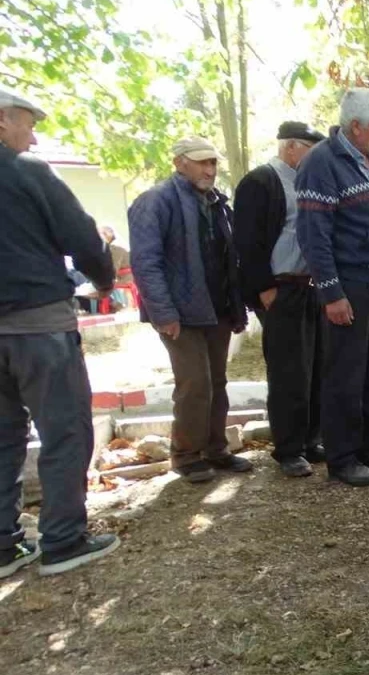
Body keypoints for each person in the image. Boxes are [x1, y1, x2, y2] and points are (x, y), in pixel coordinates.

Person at [0, 89, 118, 576]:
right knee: (65, 428)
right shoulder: (28, 172)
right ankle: (65, 539)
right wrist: (105, 277)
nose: (35, 133)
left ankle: (4, 547)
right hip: (37, 323)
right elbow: (80, 234)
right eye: (29, 123)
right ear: (3, 122)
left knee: (3, 436)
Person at [296, 88, 369, 487]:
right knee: (346, 371)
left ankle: (368, 443)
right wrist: (331, 292)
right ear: (355, 127)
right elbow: (313, 234)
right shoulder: (321, 163)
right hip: (349, 283)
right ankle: (341, 457)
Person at [129, 137, 251, 483]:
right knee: (194, 383)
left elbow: (228, 259)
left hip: (217, 309)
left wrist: (236, 308)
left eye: (213, 163)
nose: (209, 170)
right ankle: (185, 454)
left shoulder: (215, 203)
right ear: (180, 162)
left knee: (217, 381)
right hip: (180, 314)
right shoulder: (155, 201)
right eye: (201, 162)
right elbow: (145, 263)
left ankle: (215, 449)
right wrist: (163, 313)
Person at [233, 121, 326, 478]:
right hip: (281, 288)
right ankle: (287, 449)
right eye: (310, 149)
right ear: (290, 147)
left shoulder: (309, 182)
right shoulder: (261, 182)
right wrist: (264, 290)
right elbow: (247, 242)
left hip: (311, 287)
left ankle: (309, 440)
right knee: (289, 372)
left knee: (315, 367)